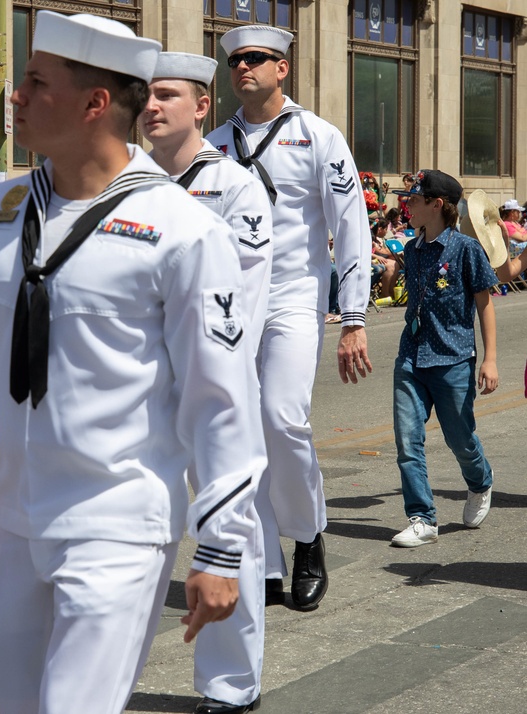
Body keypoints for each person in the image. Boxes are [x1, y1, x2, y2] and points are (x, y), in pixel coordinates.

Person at [0, 12, 267, 714]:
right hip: (13, 521)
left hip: (118, 523)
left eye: (35, 82)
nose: (16, 96)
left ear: (95, 104)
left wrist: (219, 546)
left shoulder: (182, 228)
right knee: (7, 697)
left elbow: (219, 398)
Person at [205, 25, 372, 612]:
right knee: (238, 431)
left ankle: (306, 537)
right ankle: (265, 559)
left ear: (283, 69)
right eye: (236, 62)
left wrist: (353, 317)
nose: (243, 68)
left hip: (295, 297)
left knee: (281, 418)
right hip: (229, 305)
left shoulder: (318, 136)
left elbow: (351, 225)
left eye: (256, 59)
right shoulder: (214, 145)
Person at [141, 51, 271, 714]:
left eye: (168, 94)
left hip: (213, 382)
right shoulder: (121, 184)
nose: (152, 105)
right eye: (145, 94)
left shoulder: (235, 187)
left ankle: (228, 683)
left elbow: (241, 302)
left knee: (225, 529)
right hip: (135, 388)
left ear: (201, 108)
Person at [387, 170, 496, 547]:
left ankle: (481, 480)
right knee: (408, 439)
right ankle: (422, 518)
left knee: (459, 437)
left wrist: (490, 359)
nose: (407, 206)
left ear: (436, 205)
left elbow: (485, 305)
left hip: (452, 358)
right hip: (412, 356)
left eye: (414, 200)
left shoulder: (465, 249)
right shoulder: (412, 249)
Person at [372, 218, 400, 298]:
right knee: (390, 266)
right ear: (380, 229)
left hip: (376, 259)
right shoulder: (371, 238)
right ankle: (385, 293)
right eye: (386, 229)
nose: (387, 231)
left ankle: (390, 290)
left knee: (396, 264)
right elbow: (369, 251)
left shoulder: (377, 239)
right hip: (370, 260)